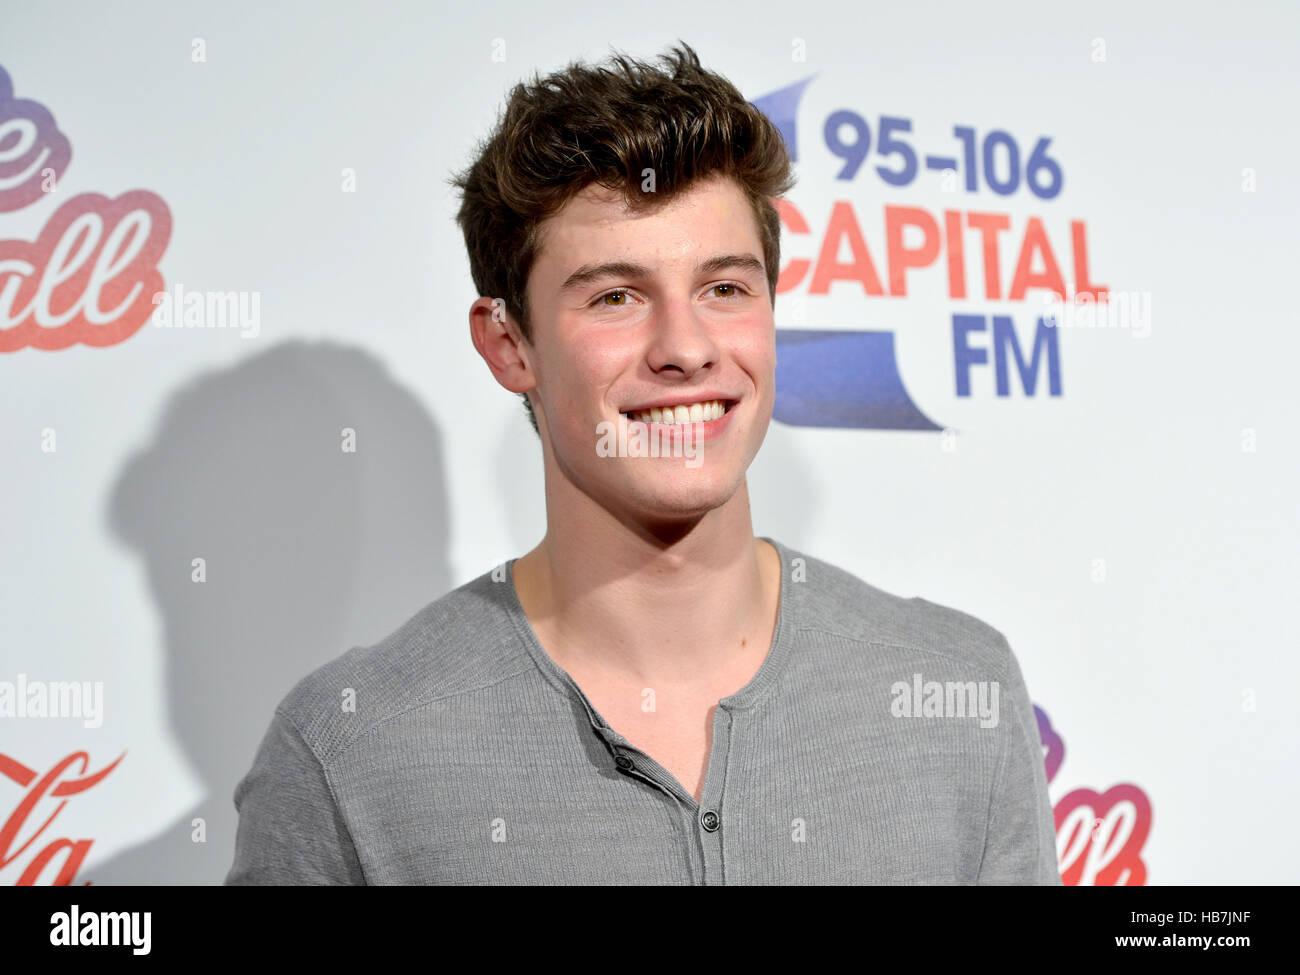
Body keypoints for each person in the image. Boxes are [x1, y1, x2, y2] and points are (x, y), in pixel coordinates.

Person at [225, 41, 1060, 885]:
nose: (687, 349)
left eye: (724, 288)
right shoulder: (348, 751)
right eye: (615, 296)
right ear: (510, 344)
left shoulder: (958, 692)